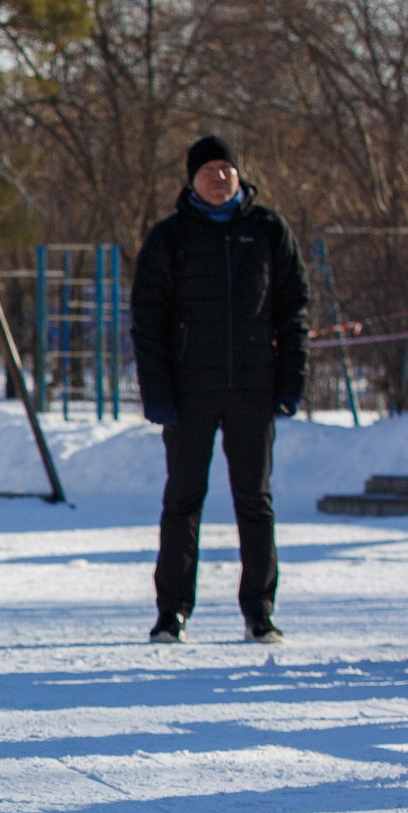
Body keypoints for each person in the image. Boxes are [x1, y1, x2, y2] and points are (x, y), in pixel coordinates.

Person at [133, 134, 309, 646]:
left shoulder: (267, 230)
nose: (218, 178)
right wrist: (158, 392)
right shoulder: (170, 238)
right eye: (208, 170)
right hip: (189, 392)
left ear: (238, 174)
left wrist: (291, 379)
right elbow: (148, 319)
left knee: (254, 500)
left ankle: (260, 611)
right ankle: (172, 612)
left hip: (254, 388)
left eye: (225, 169)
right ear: (191, 178)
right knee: (183, 501)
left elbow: (294, 308)